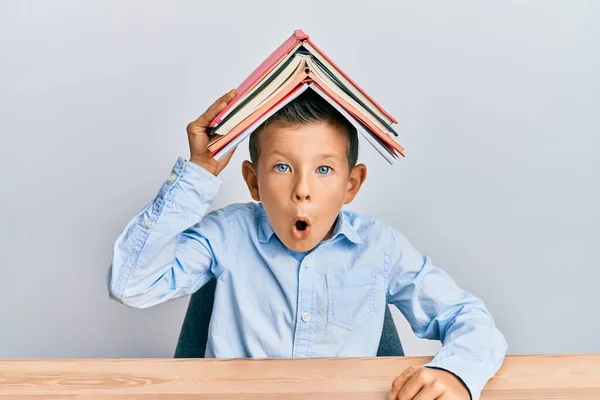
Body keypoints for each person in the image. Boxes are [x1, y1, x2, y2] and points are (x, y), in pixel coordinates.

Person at [107, 88, 507, 400]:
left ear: (351, 184)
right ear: (252, 181)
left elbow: (470, 319)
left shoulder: (380, 248)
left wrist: (457, 373)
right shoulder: (227, 235)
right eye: (282, 167)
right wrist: (200, 171)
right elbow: (131, 284)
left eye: (324, 169)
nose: (303, 190)